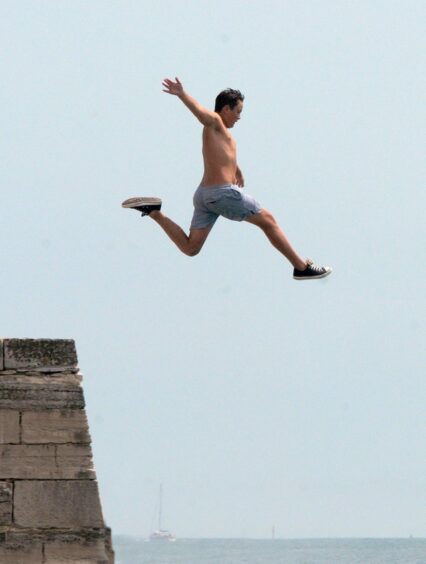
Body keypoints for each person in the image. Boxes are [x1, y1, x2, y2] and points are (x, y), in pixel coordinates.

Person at [122, 77, 332, 280]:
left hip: (204, 196)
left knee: (191, 248)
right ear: (225, 109)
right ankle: (301, 267)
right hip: (221, 194)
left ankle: (155, 212)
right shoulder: (215, 122)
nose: (239, 116)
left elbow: (221, 156)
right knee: (268, 221)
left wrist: (236, 169)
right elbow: (202, 114)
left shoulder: (221, 134)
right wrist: (182, 94)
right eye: (238, 111)